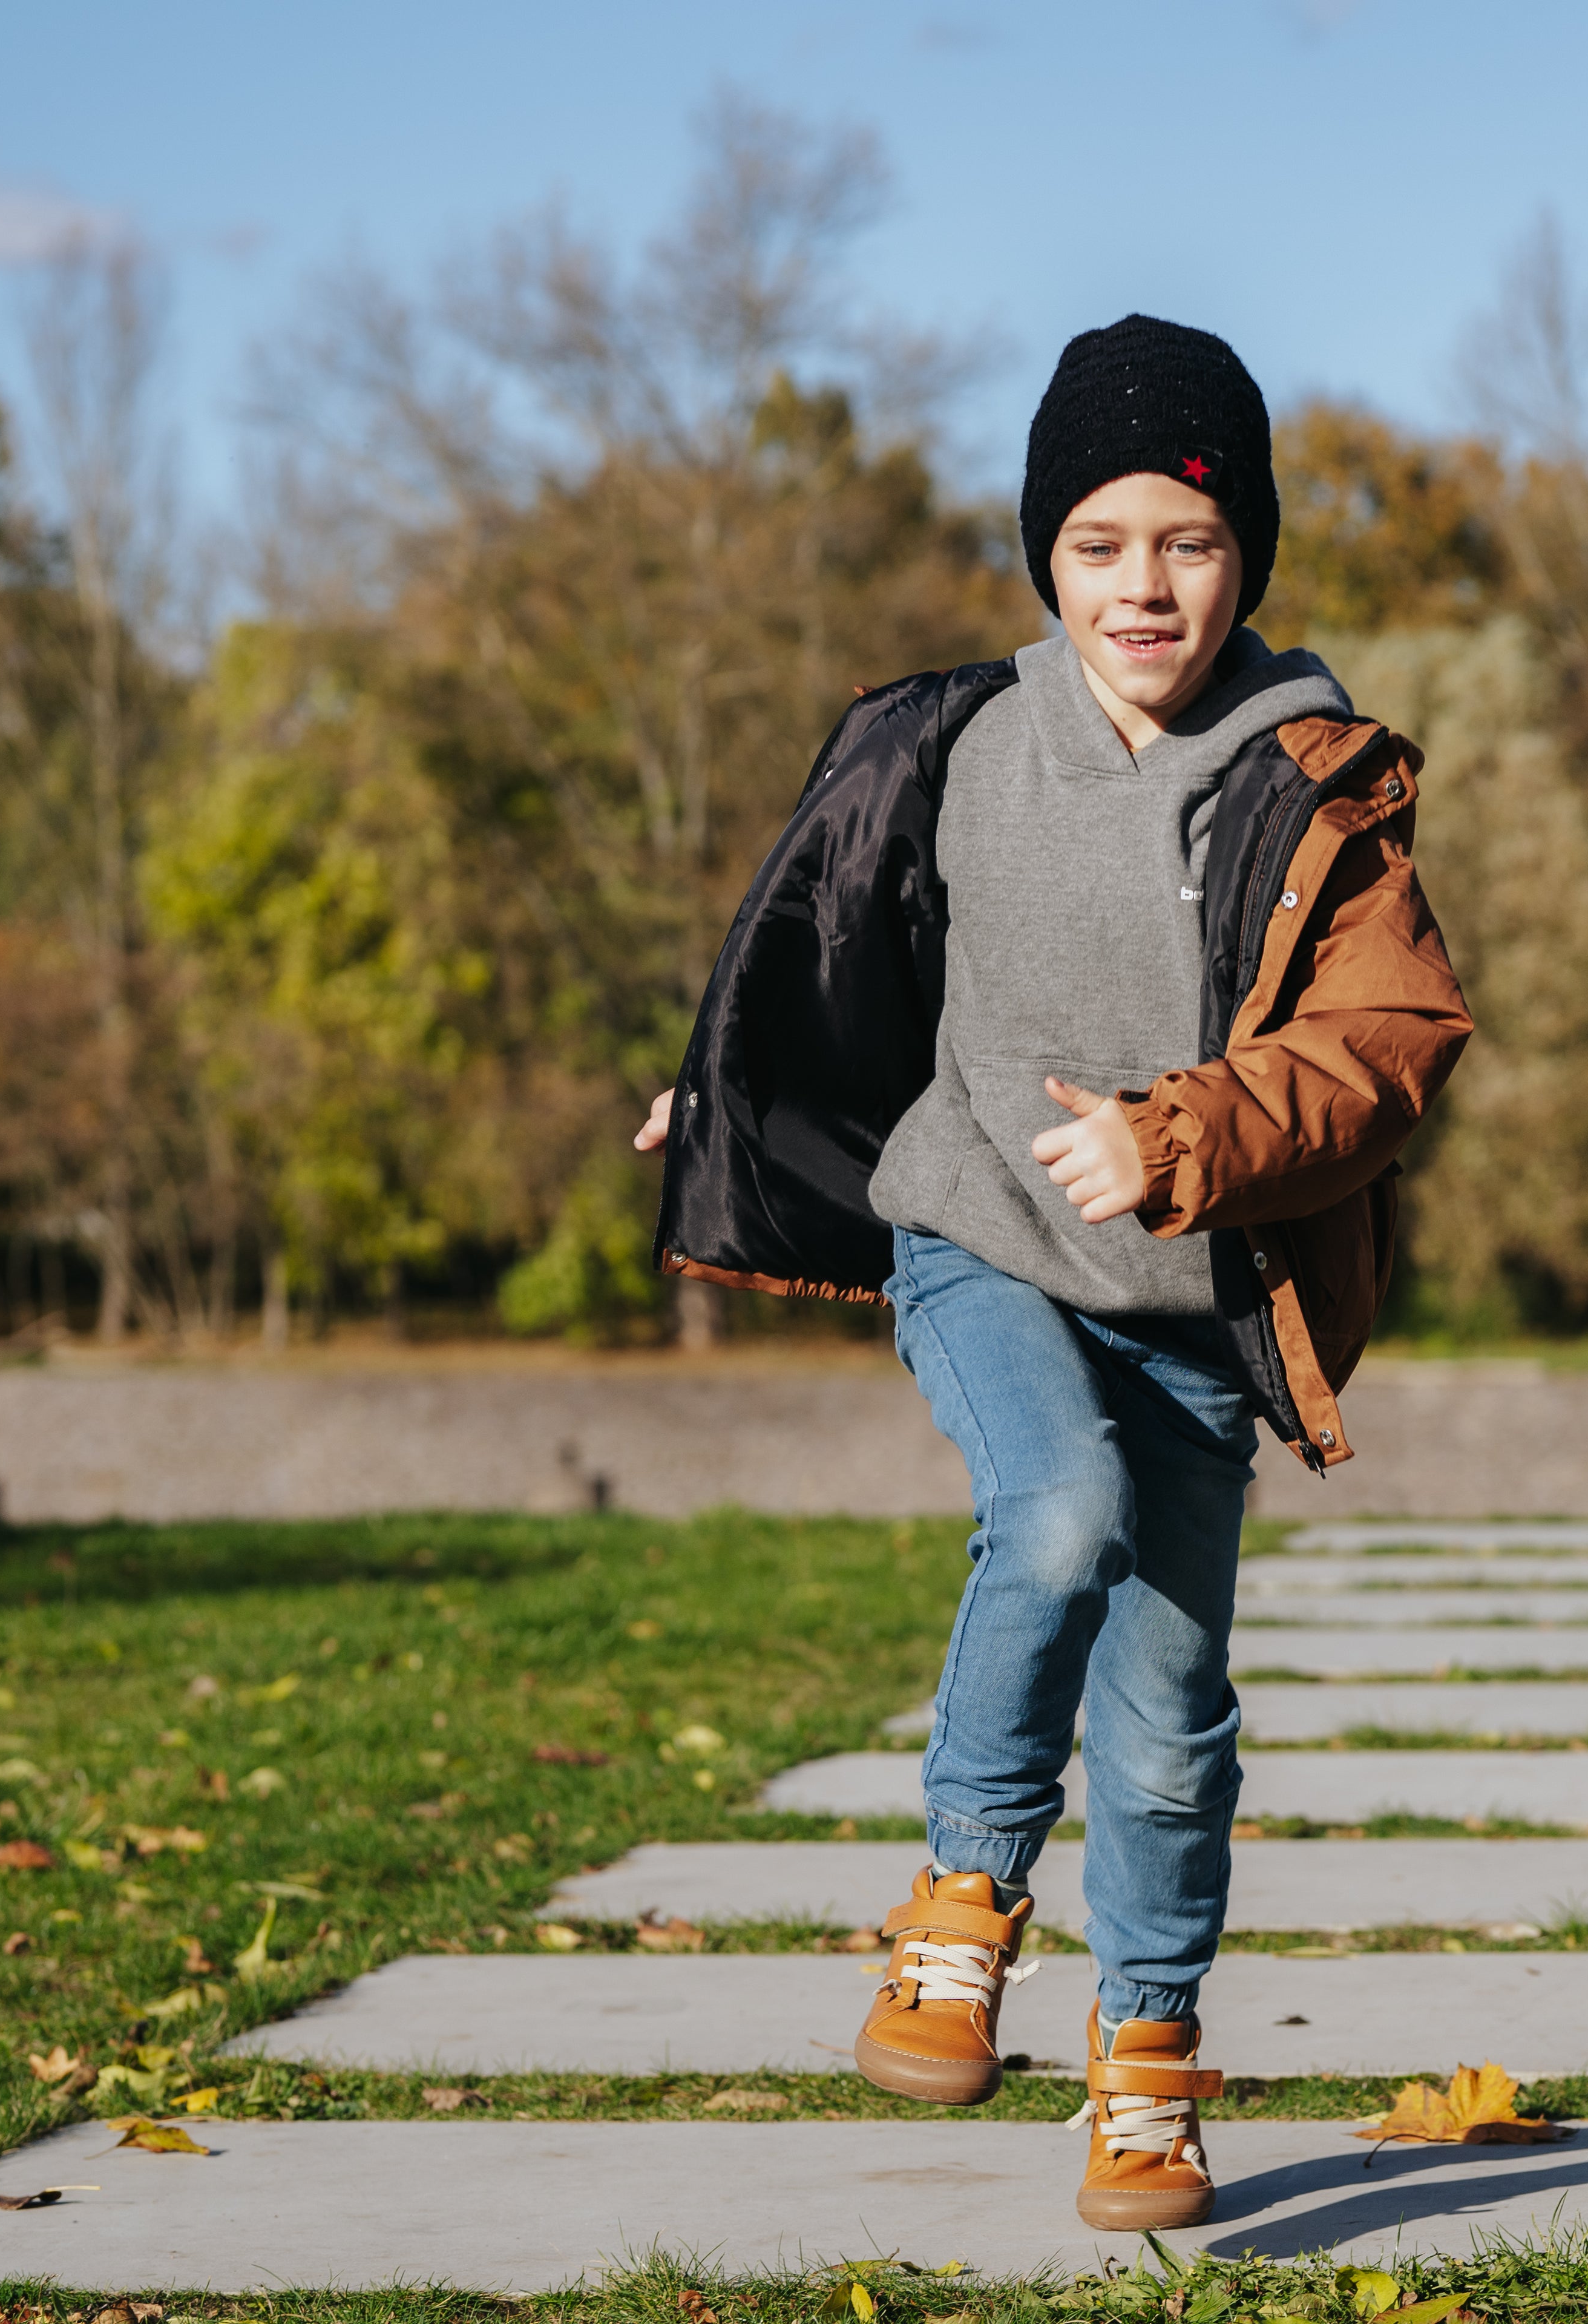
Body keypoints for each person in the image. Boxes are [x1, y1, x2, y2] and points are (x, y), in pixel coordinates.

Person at [632, 315, 1472, 2228]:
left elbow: (1387, 1046)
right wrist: (721, 1090)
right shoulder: (955, 741)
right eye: (1096, 546)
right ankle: (964, 1894)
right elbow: (817, 937)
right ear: (1046, 559)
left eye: (1181, 540)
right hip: (978, 1240)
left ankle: (1150, 2066)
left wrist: (1180, 1139)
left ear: (1243, 548)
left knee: (1173, 1728)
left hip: (1194, 1309)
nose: (1142, 586)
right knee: (1059, 1514)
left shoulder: (1320, 782)